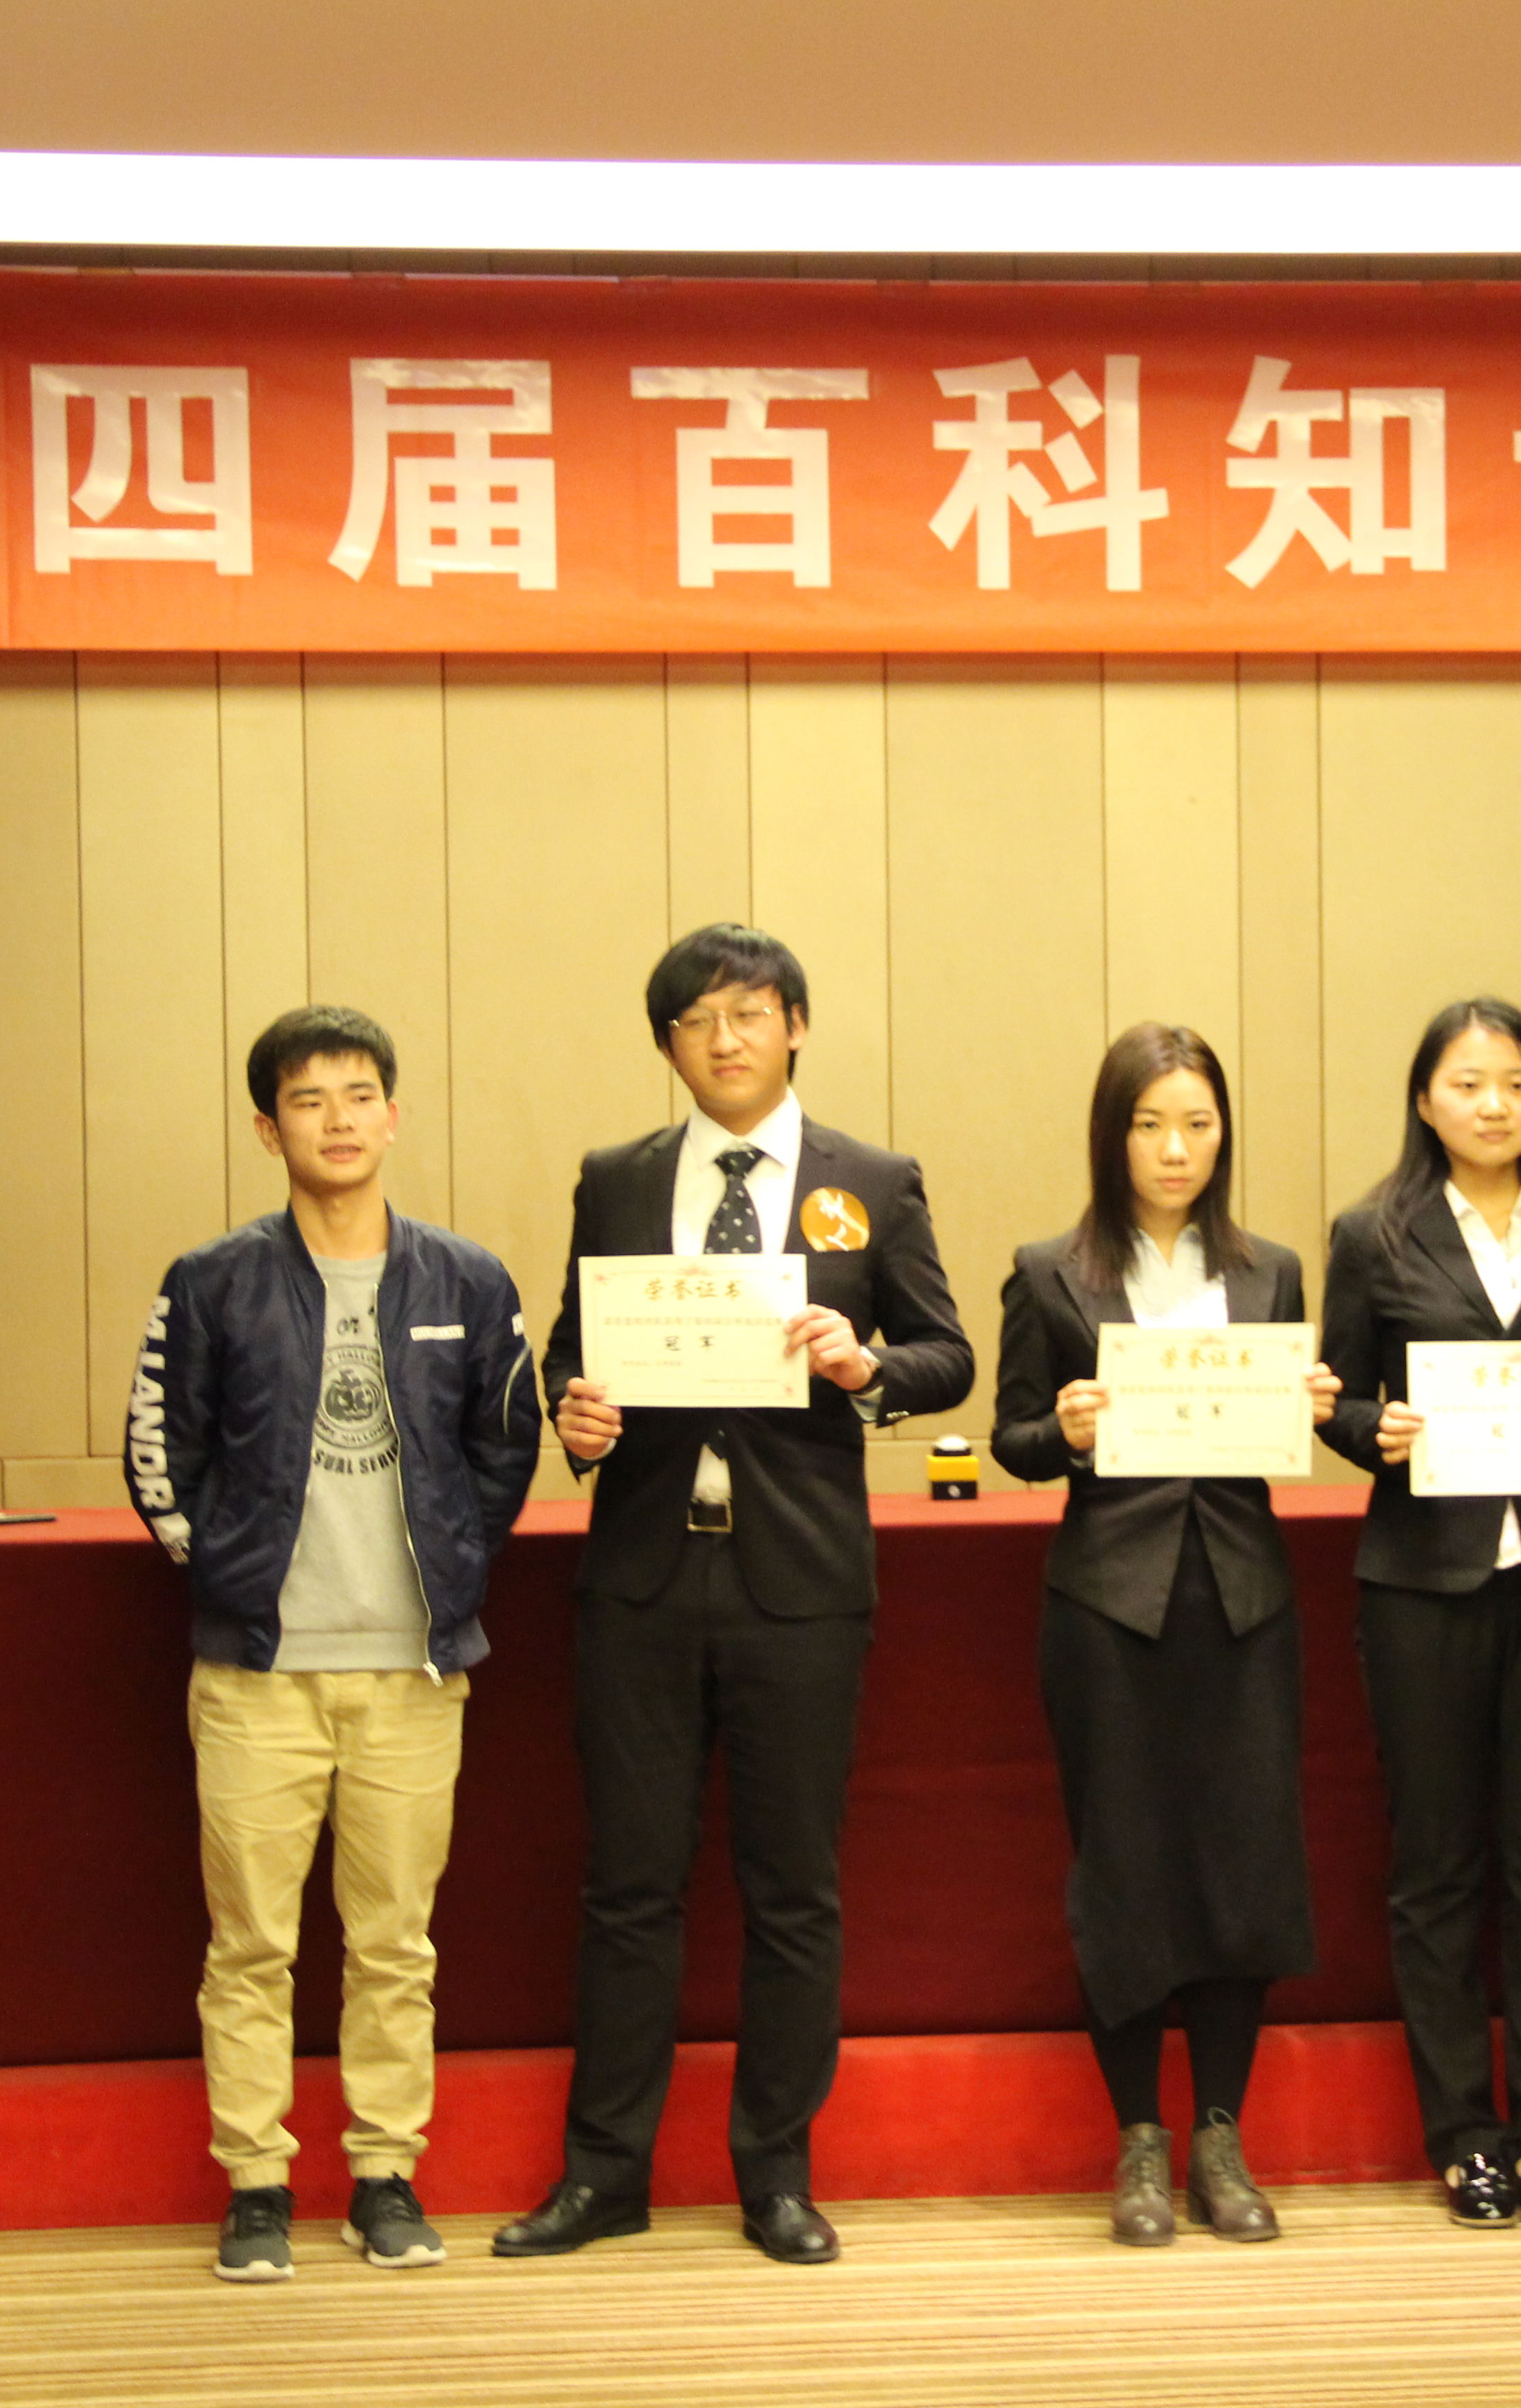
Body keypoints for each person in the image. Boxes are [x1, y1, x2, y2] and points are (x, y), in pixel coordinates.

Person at [494, 924, 973, 2268]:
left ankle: (776, 2176)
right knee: (628, 1887)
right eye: (697, 1020)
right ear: (668, 1046)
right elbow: (571, 1354)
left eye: (751, 1013)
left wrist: (865, 1365)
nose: (726, 1038)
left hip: (800, 1583)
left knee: (792, 1891)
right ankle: (604, 2175)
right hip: (644, 1577)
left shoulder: (870, 1181)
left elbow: (949, 1357)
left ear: (796, 1026)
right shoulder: (618, 1179)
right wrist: (575, 1415)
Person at [130, 1004, 542, 2283]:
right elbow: (158, 1453)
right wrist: (231, 1576)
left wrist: (453, 1573)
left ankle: (384, 2175)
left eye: (360, 1095)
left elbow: (506, 1449)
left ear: (394, 1116)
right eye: (308, 1100)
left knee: (395, 1947)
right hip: (257, 1674)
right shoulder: (211, 1282)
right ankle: (256, 2184)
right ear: (270, 1129)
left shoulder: (467, 1282)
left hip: (415, 1674)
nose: (339, 1120)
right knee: (250, 1947)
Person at [989, 1024, 1341, 2247]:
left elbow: (1287, 1436)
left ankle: (1220, 2137)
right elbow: (1013, 1441)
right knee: (1127, 1868)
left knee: (1244, 1863)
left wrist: (1312, 1406)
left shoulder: (1272, 1271)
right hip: (1108, 1605)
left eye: (1196, 1123)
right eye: (1150, 1125)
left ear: (1223, 1133)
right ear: (1113, 1135)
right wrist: (1068, 1431)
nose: (1175, 1148)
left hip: (1243, 1601)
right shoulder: (1049, 1270)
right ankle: (1139, 2137)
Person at [1319, 996, 1521, 2230]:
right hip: (1425, 1581)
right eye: (1468, 1085)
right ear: (1426, 1101)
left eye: (1518, 1082)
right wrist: (1378, 1427)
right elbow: (1339, 1404)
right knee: (1437, 1865)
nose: (1496, 1105)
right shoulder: (1373, 1234)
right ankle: (1465, 2134)